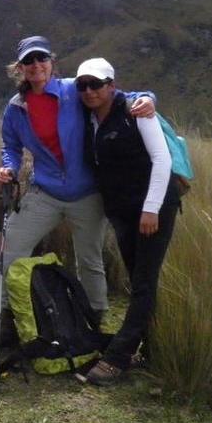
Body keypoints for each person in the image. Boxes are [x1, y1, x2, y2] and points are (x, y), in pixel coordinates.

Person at [0, 36, 155, 351]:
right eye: (28, 61)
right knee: (9, 247)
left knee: (90, 260)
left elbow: (118, 95)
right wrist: (8, 168)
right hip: (45, 191)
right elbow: (11, 148)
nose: (35, 66)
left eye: (41, 58)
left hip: (87, 194)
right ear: (20, 69)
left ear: (51, 62)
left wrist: (148, 98)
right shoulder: (16, 109)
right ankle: (1, 323)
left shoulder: (75, 90)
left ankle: (91, 322)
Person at [74, 58, 180, 385]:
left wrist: (151, 208)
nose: (89, 91)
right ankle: (152, 348)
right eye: (83, 86)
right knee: (139, 282)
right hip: (121, 212)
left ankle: (118, 357)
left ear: (111, 86)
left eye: (96, 84)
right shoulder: (88, 118)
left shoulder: (136, 110)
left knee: (144, 281)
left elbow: (162, 159)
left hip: (153, 209)